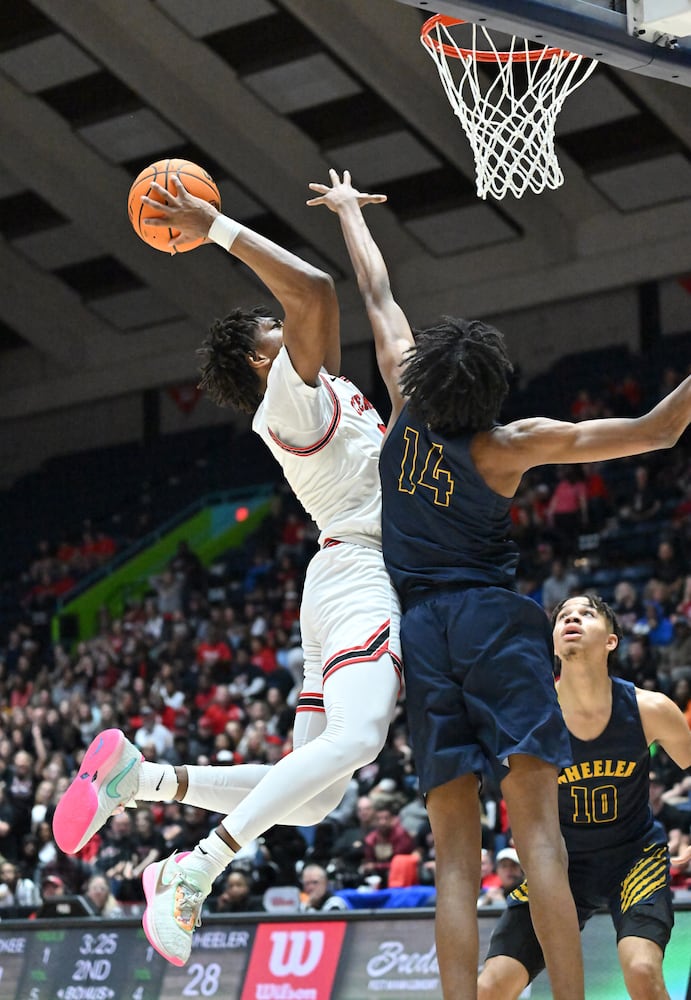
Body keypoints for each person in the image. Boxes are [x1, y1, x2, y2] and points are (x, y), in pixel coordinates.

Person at [306, 169, 691, 1000]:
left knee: (454, 858)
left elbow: (377, 293)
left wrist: (345, 211)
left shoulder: (404, 396)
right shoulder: (508, 445)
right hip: (491, 626)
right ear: (489, 386)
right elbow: (660, 428)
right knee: (539, 833)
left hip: (422, 631)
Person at [53, 171, 401, 967]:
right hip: (361, 572)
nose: (291, 325)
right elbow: (313, 291)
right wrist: (213, 227)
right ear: (258, 356)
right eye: (274, 328)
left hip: (341, 574)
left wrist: (349, 216)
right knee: (359, 736)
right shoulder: (285, 399)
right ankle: (194, 868)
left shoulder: (322, 385)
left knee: (318, 795)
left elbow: (350, 300)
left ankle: (142, 782)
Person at [478, 595, 691, 1000]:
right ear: (554, 643)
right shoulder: (531, 718)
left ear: (611, 641)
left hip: (634, 857)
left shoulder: (651, 709)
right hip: (561, 866)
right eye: (562, 616)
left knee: (643, 972)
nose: (571, 617)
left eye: (586, 613)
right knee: (490, 987)